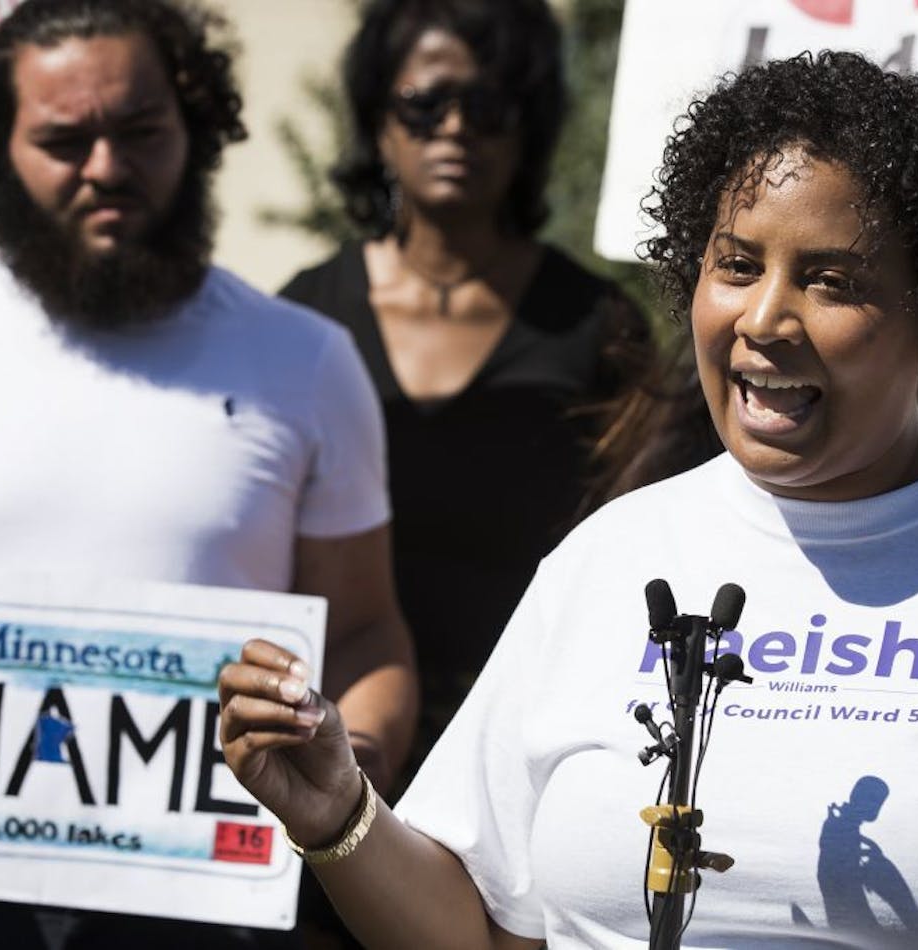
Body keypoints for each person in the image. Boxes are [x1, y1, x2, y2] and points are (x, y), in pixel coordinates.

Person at [218, 51, 918, 948]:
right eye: (738, 265)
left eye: (831, 280)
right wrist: (339, 816)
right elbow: (484, 926)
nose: (764, 320)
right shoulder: (608, 557)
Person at [0, 1, 417, 947]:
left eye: (140, 131)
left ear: (194, 124)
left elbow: (364, 632)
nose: (107, 168)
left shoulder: (307, 361)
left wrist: (356, 758)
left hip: (202, 909)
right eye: (64, 141)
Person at [279, 0, 652, 775]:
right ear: (380, 120)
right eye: (424, 103)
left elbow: (637, 548)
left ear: (529, 126)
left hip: (525, 746)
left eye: (487, 105)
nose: (454, 128)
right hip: (327, 741)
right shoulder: (304, 321)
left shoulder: (599, 326)